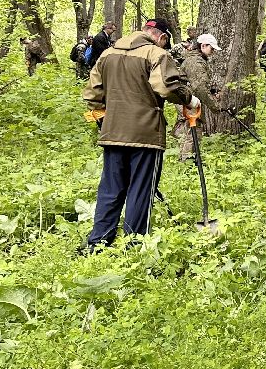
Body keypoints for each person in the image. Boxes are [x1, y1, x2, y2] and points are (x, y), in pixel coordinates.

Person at [82, 18, 196, 249]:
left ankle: (98, 243)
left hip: (112, 133)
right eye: (165, 41)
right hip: (146, 135)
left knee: (110, 189)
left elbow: (92, 95)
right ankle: (133, 244)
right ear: (161, 37)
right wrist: (189, 99)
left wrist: (106, 118)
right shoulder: (156, 55)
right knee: (141, 189)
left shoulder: (107, 54)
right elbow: (166, 87)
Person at [175, 33, 222, 160]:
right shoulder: (195, 61)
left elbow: (199, 84)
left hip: (189, 98)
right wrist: (215, 106)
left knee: (192, 129)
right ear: (203, 46)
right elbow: (199, 87)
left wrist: (212, 91)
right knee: (193, 130)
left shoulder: (197, 60)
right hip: (187, 99)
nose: (213, 52)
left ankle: (189, 159)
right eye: (211, 48)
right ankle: (187, 162)